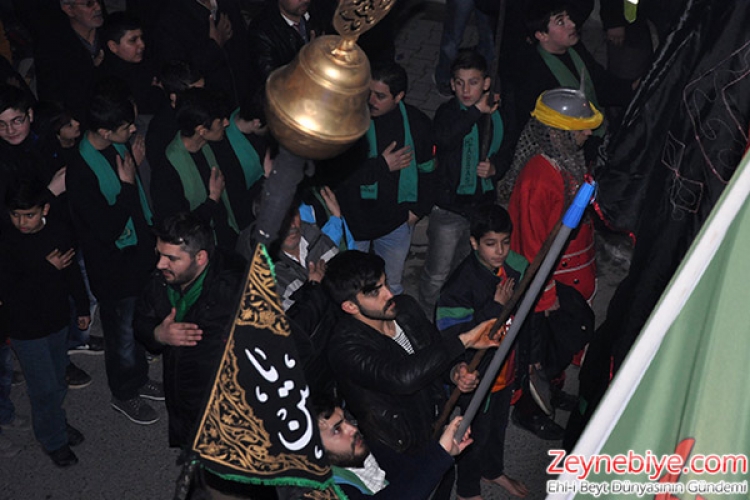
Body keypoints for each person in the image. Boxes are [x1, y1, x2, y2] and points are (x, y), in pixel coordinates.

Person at [322, 250, 499, 499]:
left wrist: (453, 373)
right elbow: (401, 377)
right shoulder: (344, 347)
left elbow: (432, 351)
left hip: (435, 418)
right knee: (417, 488)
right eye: (375, 291)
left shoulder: (405, 307)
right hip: (399, 443)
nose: (389, 294)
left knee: (442, 479)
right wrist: (465, 340)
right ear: (350, 306)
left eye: (385, 283)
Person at [66, 78, 163, 425]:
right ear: (105, 131)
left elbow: (137, 203)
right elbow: (103, 230)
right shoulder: (80, 170)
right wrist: (125, 188)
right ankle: (124, 394)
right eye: (126, 126)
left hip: (136, 253)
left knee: (138, 323)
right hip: (112, 266)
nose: (134, 129)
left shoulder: (118, 148)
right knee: (120, 333)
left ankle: (138, 378)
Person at [507, 86, 600, 439]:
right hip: (544, 283)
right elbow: (532, 245)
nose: (588, 133)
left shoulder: (562, 162)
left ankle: (552, 390)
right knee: (539, 353)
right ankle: (529, 410)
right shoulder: (539, 178)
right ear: (559, 133)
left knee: (563, 341)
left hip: (561, 275)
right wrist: (544, 297)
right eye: (582, 128)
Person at [435, 204, 529, 498]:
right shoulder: (460, 285)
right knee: (474, 433)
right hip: (479, 373)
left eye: (504, 241)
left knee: (498, 426)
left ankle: (493, 471)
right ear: (474, 243)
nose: (499, 251)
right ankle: (467, 489)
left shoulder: (516, 265)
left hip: (507, 364)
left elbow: (529, 315)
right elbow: (454, 336)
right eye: (490, 244)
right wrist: (495, 307)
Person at [134, 212, 244, 449]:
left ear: (200, 257)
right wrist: (158, 335)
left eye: (171, 258)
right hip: (184, 396)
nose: (160, 264)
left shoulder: (235, 293)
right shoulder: (161, 280)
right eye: (159, 254)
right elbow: (141, 323)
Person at [0, 176, 88, 466]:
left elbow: (72, 270)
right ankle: (53, 440)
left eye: (29, 215)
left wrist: (83, 307)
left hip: (57, 321)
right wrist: (45, 268)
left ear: (45, 210)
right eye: (15, 215)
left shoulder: (59, 231)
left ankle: (57, 422)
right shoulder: (7, 242)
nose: (22, 222)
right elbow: (10, 293)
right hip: (27, 329)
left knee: (58, 380)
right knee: (44, 388)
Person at [419, 49, 510, 316]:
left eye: (473, 82)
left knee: (464, 268)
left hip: (480, 207)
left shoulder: (497, 112)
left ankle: (456, 314)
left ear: (486, 83)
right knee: (437, 273)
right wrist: (474, 112)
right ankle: (426, 319)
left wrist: (495, 167)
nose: (465, 89)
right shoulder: (449, 112)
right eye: (459, 82)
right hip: (449, 208)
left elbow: (508, 146)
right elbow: (445, 138)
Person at [335, 63, 435, 295]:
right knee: (352, 288)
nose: (371, 101)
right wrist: (381, 166)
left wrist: (416, 211)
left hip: (394, 223)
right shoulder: (347, 121)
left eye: (380, 96)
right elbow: (339, 173)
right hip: (353, 222)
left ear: (399, 96)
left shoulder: (417, 124)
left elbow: (428, 171)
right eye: (368, 93)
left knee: (391, 286)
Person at [313, 392, 473, 499]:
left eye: (345, 420)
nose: (353, 429)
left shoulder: (361, 449)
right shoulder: (327, 491)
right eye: (336, 430)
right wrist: (440, 453)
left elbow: (409, 471)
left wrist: (442, 446)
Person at [149, 87, 240, 251]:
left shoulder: (214, 145)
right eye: (220, 121)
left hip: (229, 237)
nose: (226, 123)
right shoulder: (167, 170)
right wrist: (212, 200)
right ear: (201, 131)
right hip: (203, 250)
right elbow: (176, 228)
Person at [34, 0, 105, 124]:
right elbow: (51, 96)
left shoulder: (110, 32)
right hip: (78, 121)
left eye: (98, 1)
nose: (98, 7)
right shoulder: (52, 47)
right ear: (69, 9)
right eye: (89, 3)